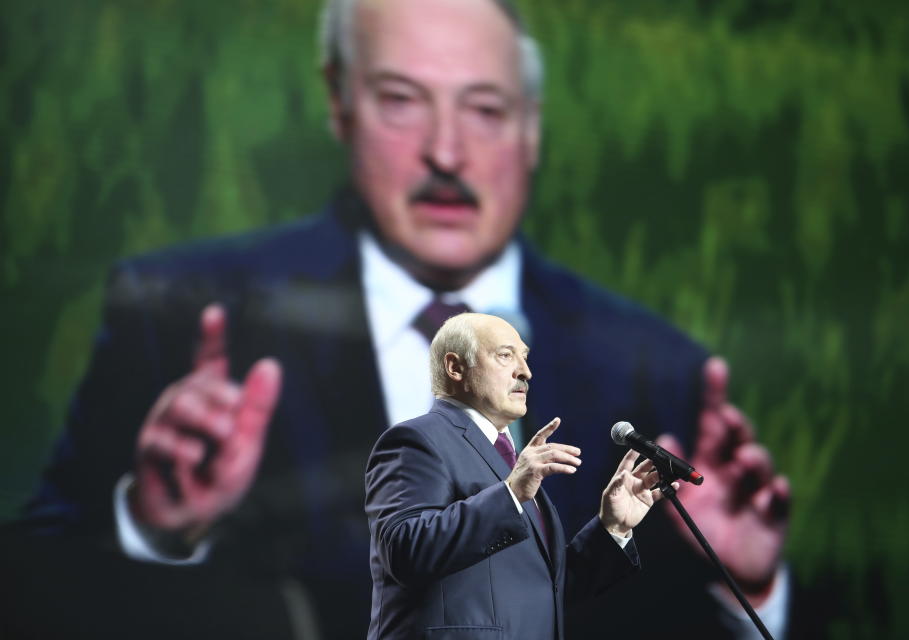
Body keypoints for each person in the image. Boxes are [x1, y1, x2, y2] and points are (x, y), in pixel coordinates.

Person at [7, 0, 791, 637]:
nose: (446, 151)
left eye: (484, 108)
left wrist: (720, 569)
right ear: (339, 104)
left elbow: (550, 593)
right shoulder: (177, 315)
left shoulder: (658, 370)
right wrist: (149, 526)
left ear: (531, 128)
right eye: (402, 101)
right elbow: (411, 551)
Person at [366, 312, 672, 639]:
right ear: (455, 368)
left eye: (524, 357)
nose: (525, 371)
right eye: (505, 355)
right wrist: (510, 493)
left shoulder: (509, 458)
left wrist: (612, 527)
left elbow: (544, 589)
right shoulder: (417, 440)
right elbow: (404, 550)